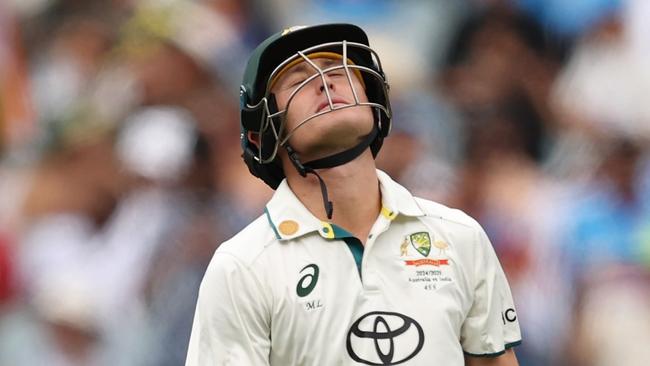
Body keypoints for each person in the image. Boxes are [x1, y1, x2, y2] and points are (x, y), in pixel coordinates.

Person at [185, 23, 521, 366]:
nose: (325, 81)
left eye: (339, 68)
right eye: (298, 78)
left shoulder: (459, 236)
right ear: (262, 135)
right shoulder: (243, 267)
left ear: (373, 96)